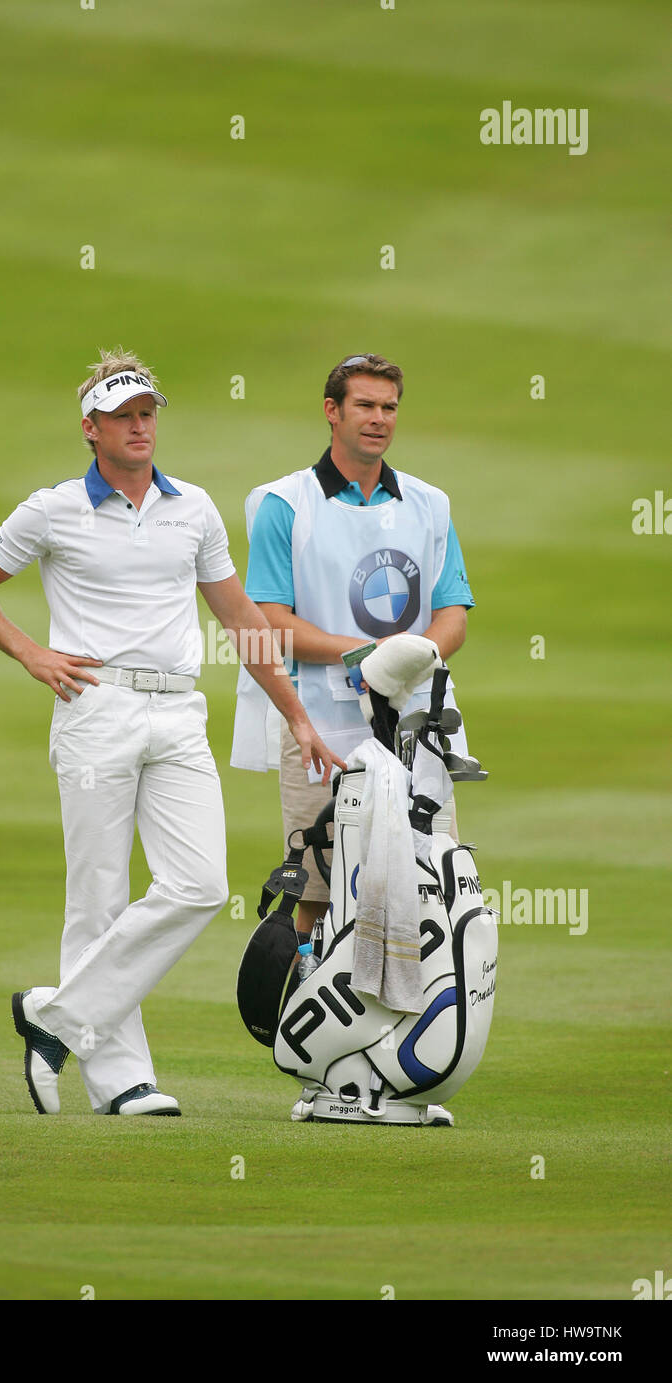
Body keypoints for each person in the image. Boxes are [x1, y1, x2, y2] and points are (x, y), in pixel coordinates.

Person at [0, 348, 342, 1118]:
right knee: (97, 896)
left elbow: (241, 620)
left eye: (147, 413)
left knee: (200, 886)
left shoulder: (191, 507)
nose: (139, 427)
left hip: (178, 712)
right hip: (97, 706)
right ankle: (121, 1080)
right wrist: (32, 653)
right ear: (90, 428)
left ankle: (53, 1016)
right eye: (123, 416)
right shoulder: (52, 507)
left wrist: (297, 713)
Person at [231, 352, 475, 948]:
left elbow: (452, 616)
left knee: (428, 883)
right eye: (364, 405)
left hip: (416, 722)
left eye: (389, 407)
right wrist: (369, 656)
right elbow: (272, 622)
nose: (379, 418)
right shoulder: (283, 504)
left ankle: (418, 1032)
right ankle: (305, 1029)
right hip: (315, 720)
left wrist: (405, 661)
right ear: (331, 412)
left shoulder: (428, 504)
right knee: (316, 892)